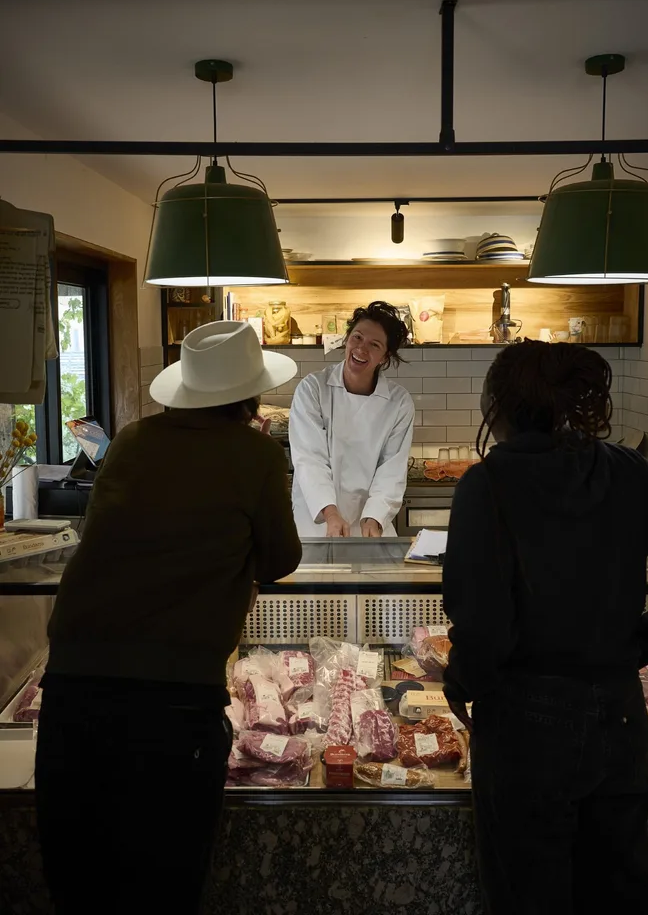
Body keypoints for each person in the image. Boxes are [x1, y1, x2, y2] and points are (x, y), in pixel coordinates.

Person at [35, 321, 302, 915]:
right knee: (163, 886)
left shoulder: (130, 439)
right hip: (174, 704)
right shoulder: (255, 452)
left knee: (80, 884)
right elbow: (282, 558)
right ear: (249, 397)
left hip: (73, 694)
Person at [442, 340, 648, 915]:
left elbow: (482, 623)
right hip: (619, 718)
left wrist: (462, 681)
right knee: (618, 893)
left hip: (527, 724)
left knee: (530, 895)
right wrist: (646, 643)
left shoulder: (489, 483)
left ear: (499, 404)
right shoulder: (629, 471)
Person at [288, 301, 415, 537]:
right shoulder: (313, 389)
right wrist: (331, 513)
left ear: (385, 357)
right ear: (347, 338)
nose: (361, 349)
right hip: (318, 522)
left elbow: (392, 469)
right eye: (357, 337)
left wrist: (374, 518)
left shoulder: (398, 402)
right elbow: (309, 459)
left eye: (374, 345)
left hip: (372, 524)